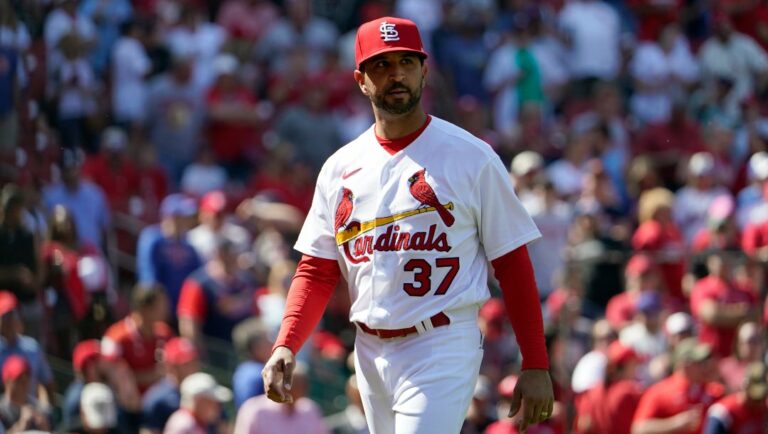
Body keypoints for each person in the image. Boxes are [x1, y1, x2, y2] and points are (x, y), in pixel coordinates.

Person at [262, 16, 553, 434]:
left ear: (424, 71)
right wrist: (286, 343)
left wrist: (536, 362)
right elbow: (317, 270)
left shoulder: (471, 156)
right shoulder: (340, 167)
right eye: (382, 65)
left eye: (406, 62)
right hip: (368, 349)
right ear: (361, 80)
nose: (396, 74)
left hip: (441, 340)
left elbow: (512, 263)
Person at [631, 338, 725, 434]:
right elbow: (639, 429)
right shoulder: (659, 391)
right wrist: (674, 424)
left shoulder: (714, 390)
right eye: (700, 362)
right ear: (686, 365)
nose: (706, 366)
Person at [101, 284, 173, 394]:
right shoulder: (116, 337)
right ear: (144, 309)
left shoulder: (164, 332)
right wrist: (148, 377)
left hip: (163, 398)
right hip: (126, 399)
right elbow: (107, 374)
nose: (165, 309)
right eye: (160, 305)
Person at [236, 363, 329, 434]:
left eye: (303, 384)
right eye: (293, 383)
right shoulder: (254, 410)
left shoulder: (310, 410)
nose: (299, 389)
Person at [573, 341, 643, 434]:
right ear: (624, 366)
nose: (636, 370)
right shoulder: (630, 391)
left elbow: (581, 426)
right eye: (634, 365)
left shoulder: (590, 393)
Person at [141, 337, 201, 434]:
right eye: (186, 364)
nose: (193, 368)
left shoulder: (205, 392)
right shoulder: (157, 399)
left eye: (194, 362)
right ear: (171, 366)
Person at [703, 362, 767, 434]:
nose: (759, 403)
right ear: (745, 388)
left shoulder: (764, 410)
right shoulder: (723, 412)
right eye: (755, 399)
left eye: (762, 397)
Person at [163, 372, 232, 434]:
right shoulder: (183, 425)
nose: (217, 406)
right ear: (200, 401)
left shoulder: (197, 423)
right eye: (212, 401)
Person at [231, 319, 272, 410]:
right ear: (256, 348)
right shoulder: (262, 373)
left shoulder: (242, 370)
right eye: (267, 340)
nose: (272, 343)